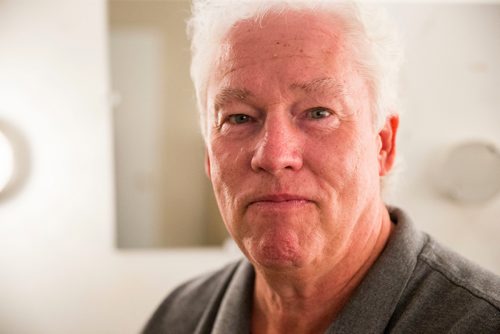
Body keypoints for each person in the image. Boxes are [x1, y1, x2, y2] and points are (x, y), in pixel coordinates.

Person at [143, 1, 500, 333]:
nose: (274, 156)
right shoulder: (177, 317)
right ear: (209, 156)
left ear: (383, 144)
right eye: (239, 117)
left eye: (318, 113)